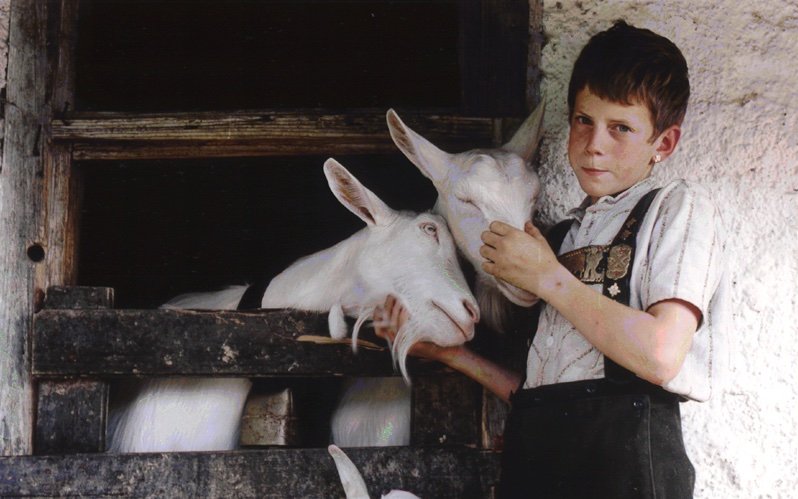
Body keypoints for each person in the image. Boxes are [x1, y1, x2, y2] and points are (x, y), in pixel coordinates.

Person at [373, 20, 728, 499]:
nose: (594, 144)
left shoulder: (675, 209)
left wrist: (547, 277)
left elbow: (662, 356)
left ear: (662, 144)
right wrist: (446, 354)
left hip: (623, 477)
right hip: (540, 463)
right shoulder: (561, 237)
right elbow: (541, 396)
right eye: (584, 120)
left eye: (620, 127)